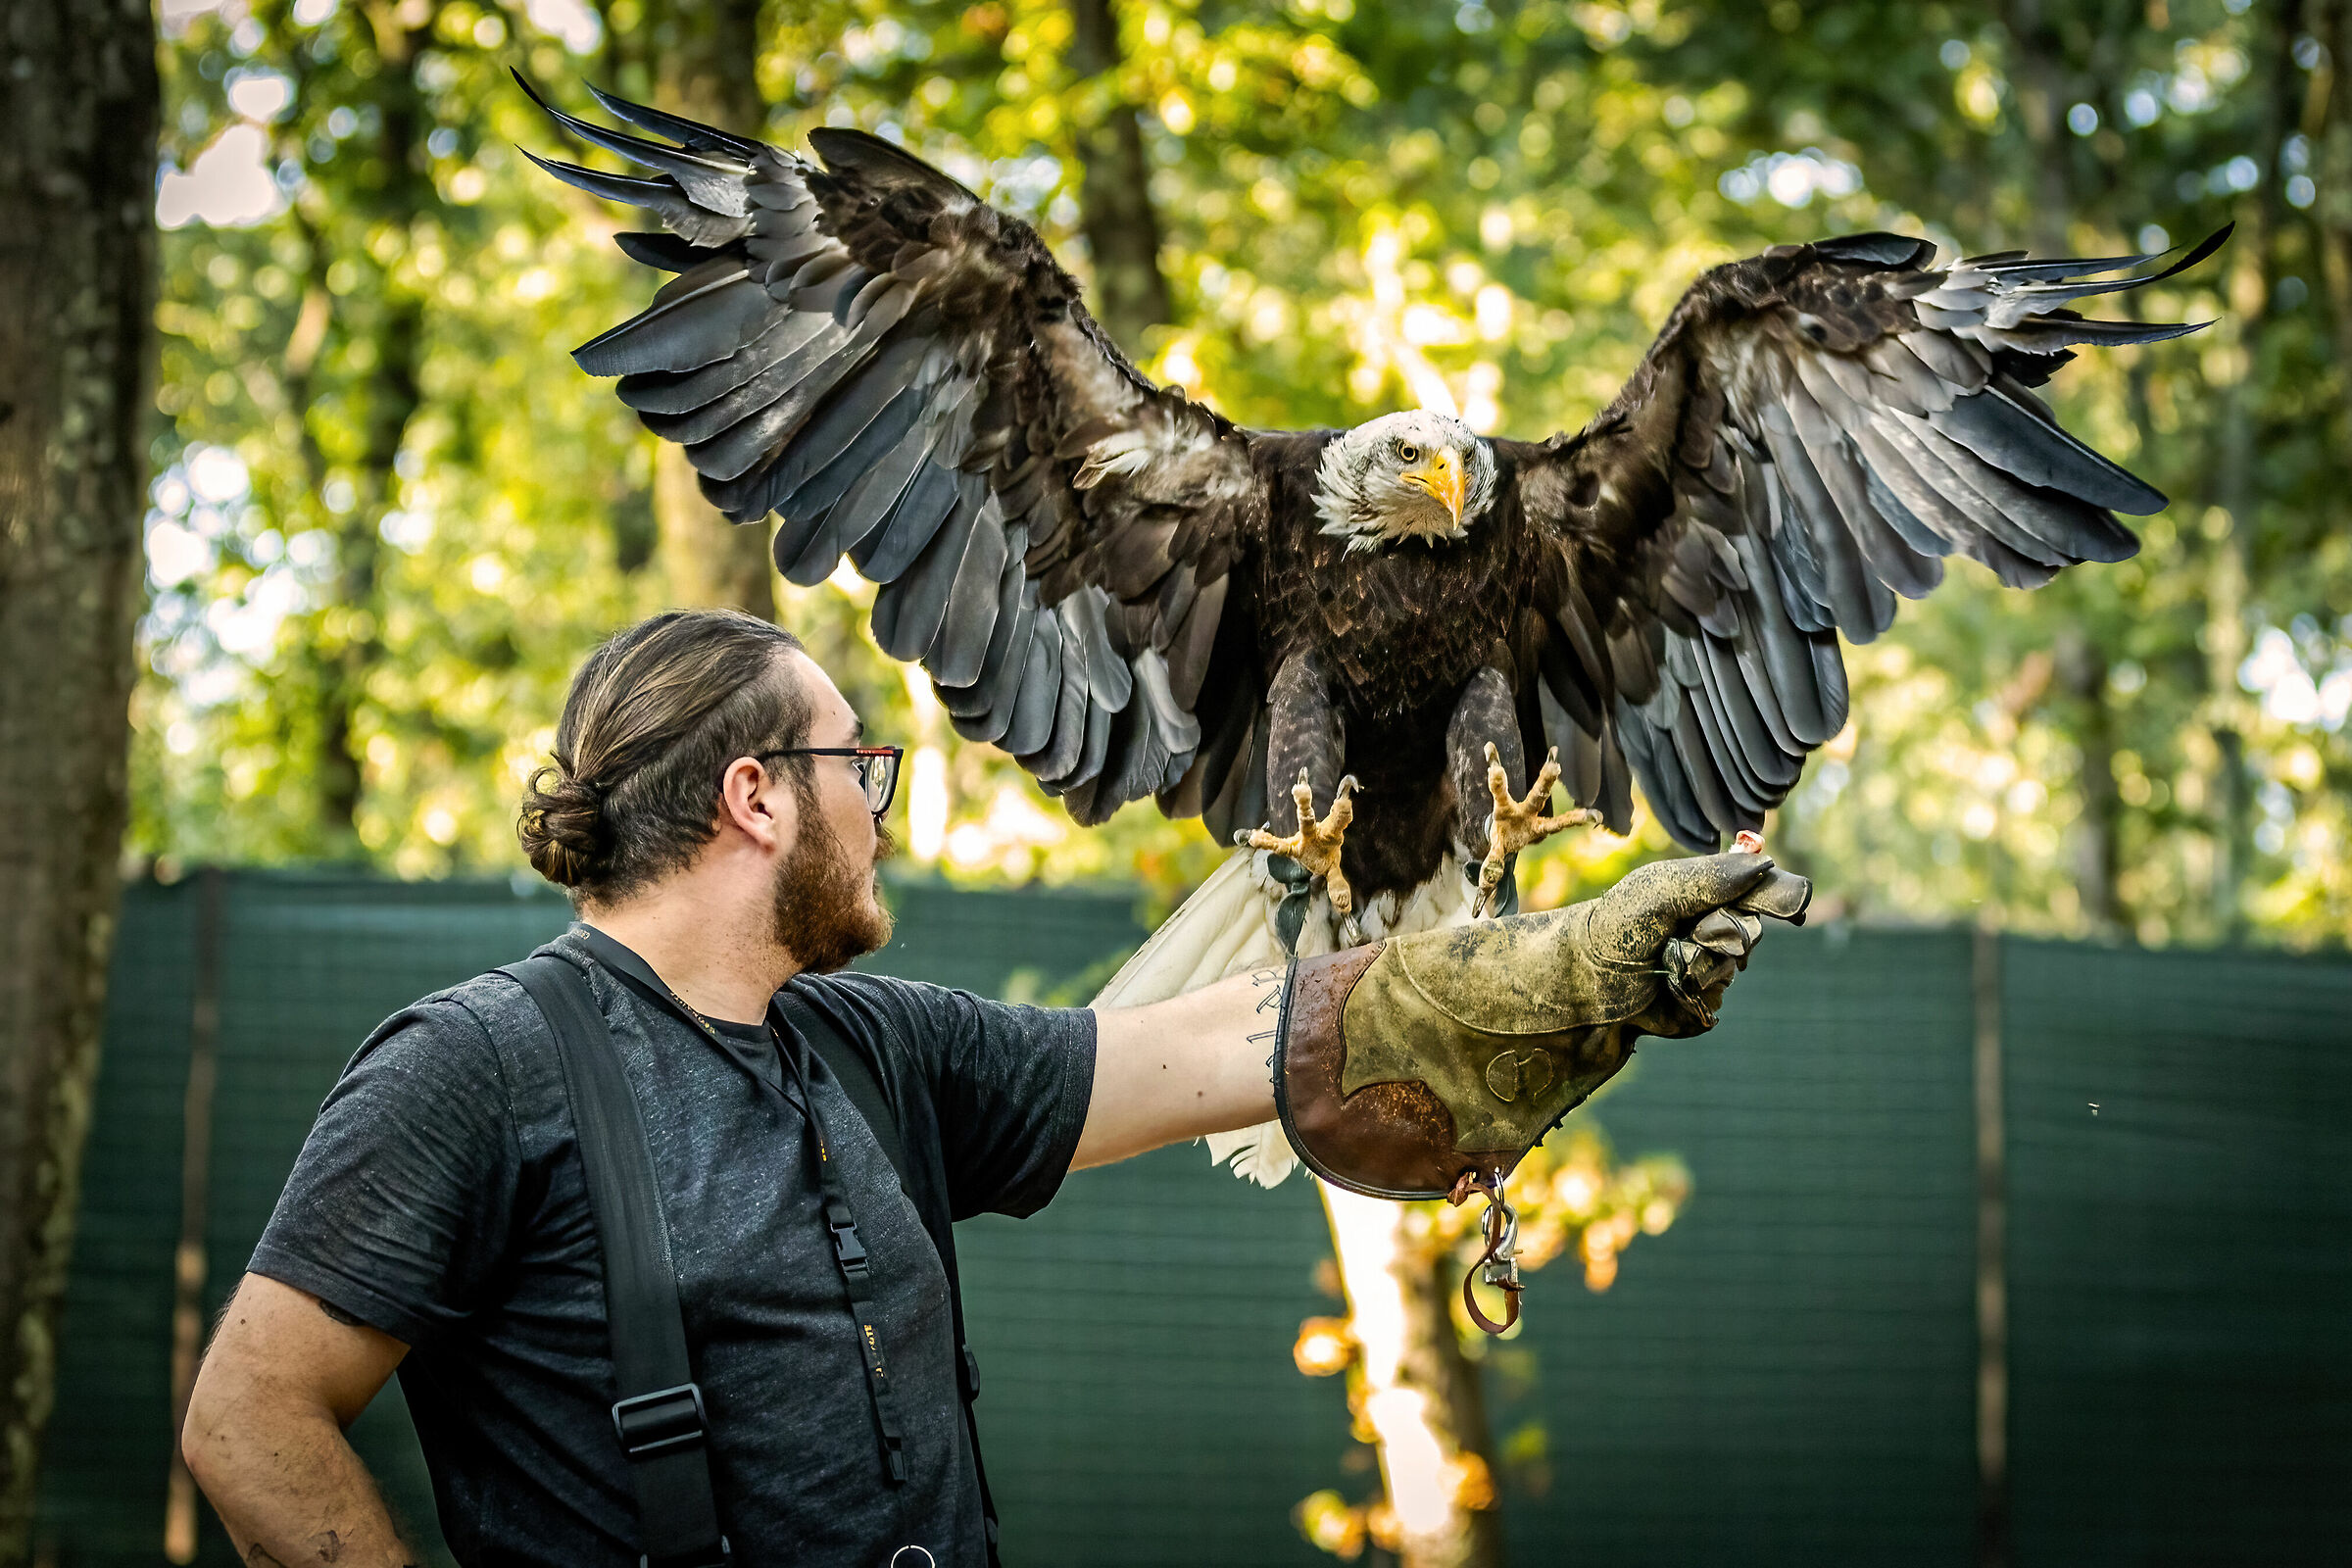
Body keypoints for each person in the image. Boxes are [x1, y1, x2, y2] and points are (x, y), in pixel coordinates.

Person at [181, 609, 1795, 1568]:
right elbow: (248, 1419)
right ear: (755, 798)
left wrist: (1558, 967)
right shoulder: (474, 1067)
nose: (882, 810)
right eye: (858, 766)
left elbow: (1196, 1047)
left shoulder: (875, 1048)